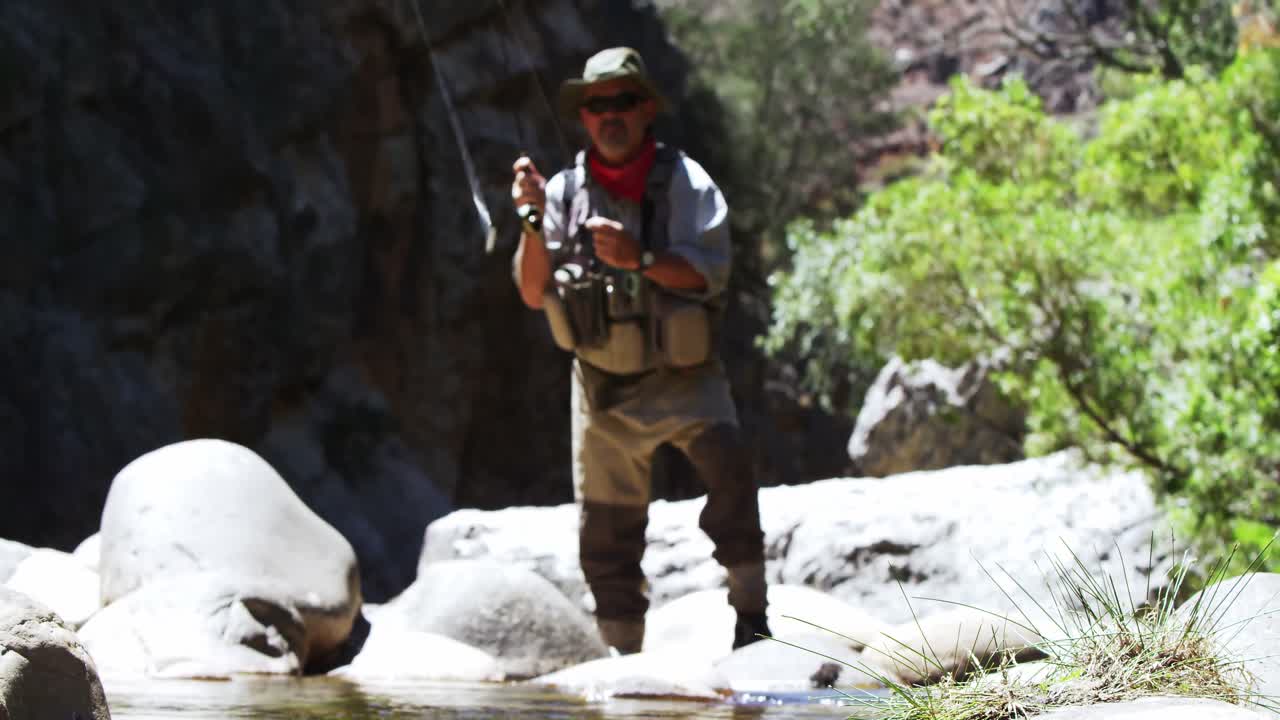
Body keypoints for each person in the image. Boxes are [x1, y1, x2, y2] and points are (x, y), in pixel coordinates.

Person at [509, 46, 771, 655]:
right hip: (600, 387)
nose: (610, 115)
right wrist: (530, 219)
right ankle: (624, 662)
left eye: (623, 101)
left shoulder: (687, 182)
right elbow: (530, 291)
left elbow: (711, 274)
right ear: (583, 118)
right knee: (606, 536)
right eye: (596, 105)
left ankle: (753, 624)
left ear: (647, 108)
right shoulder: (564, 193)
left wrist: (641, 259)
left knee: (731, 482)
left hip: (684, 379)